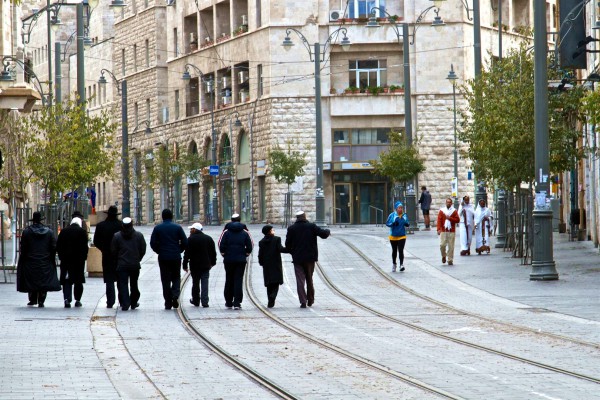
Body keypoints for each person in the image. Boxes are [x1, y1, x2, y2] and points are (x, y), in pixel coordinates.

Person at [285, 211, 330, 308]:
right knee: (309, 279)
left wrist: (292, 252)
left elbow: (287, 244)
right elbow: (323, 234)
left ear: (297, 218)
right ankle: (310, 299)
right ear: (305, 217)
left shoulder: (292, 228)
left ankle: (303, 301)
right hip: (310, 258)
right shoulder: (311, 226)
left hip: (297, 258)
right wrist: (328, 231)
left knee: (300, 280)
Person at [16, 212, 61, 307]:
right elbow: (53, 246)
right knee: (43, 279)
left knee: (31, 279)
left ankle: (32, 299)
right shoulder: (49, 232)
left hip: (30, 260)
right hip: (45, 260)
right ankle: (41, 299)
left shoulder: (27, 232)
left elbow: (23, 247)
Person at [150, 209, 188, 310]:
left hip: (163, 257)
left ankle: (167, 301)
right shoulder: (177, 227)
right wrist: (179, 250)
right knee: (176, 277)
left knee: (165, 279)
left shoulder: (158, 228)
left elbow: (152, 243)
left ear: (162, 217)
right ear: (172, 216)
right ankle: (175, 295)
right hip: (175, 256)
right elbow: (185, 241)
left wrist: (159, 251)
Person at [111, 217, 146, 311]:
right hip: (134, 265)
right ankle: (134, 302)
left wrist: (118, 261)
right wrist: (138, 259)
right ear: (132, 225)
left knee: (123, 285)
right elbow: (143, 249)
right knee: (134, 284)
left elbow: (113, 251)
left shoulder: (117, 236)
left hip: (122, 265)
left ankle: (125, 303)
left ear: (122, 225)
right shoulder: (139, 235)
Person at [93, 205, 122, 308]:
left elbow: (96, 241)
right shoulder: (121, 225)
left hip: (107, 255)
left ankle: (110, 301)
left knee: (109, 279)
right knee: (120, 279)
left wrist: (103, 249)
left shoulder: (101, 226)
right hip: (119, 256)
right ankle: (122, 300)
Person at [219, 219, 253, 310]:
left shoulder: (226, 233)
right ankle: (237, 302)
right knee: (238, 280)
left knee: (229, 279)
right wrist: (246, 253)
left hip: (229, 259)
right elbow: (250, 246)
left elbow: (221, 245)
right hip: (240, 260)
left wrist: (224, 253)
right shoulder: (245, 233)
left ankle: (228, 301)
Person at [57, 217, 89, 308]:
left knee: (67, 280)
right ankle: (78, 300)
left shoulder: (64, 232)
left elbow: (59, 246)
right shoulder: (82, 232)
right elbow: (85, 248)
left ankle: (67, 299)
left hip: (66, 260)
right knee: (78, 281)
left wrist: (61, 257)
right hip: (78, 261)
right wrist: (84, 258)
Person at [183, 223, 217, 307]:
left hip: (194, 265)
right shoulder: (208, 238)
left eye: (191, 229)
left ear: (195, 230)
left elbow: (187, 253)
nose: (190, 230)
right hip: (206, 265)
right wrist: (213, 263)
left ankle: (196, 300)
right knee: (205, 283)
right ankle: (205, 301)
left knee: (195, 283)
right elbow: (213, 253)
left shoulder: (190, 239)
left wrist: (185, 265)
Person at [258, 225, 288, 308]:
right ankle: (272, 297)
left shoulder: (261, 241)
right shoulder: (276, 239)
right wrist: (290, 249)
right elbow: (281, 249)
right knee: (276, 283)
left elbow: (260, 254)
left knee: (269, 284)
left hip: (266, 265)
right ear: (269, 231)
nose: (273, 231)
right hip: (275, 264)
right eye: (272, 230)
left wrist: (261, 262)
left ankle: (270, 301)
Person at [385, 201, 410, 272]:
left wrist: (407, 224)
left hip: (402, 236)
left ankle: (401, 264)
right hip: (393, 236)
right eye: (399, 208)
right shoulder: (392, 215)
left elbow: (407, 222)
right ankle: (394, 264)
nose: (401, 209)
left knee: (401, 250)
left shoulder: (404, 215)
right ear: (396, 209)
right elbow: (387, 223)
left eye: (402, 208)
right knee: (394, 251)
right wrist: (393, 223)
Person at [437, 198, 460, 266]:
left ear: (451, 203)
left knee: (451, 246)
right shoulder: (442, 211)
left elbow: (457, 220)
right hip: (444, 230)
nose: (448, 203)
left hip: (451, 230)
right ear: (445, 203)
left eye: (450, 202)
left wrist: (450, 218)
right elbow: (439, 220)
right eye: (447, 202)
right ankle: (443, 255)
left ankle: (450, 259)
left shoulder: (454, 211)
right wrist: (438, 229)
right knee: (442, 245)